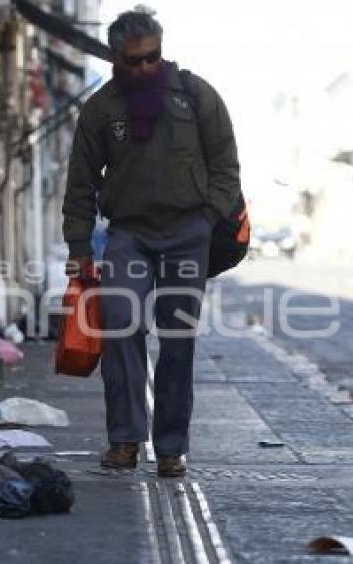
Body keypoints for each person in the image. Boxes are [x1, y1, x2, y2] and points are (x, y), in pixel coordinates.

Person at [62, 10, 241, 477]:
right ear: (115, 59)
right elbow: (80, 184)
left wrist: (206, 218)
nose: (144, 68)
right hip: (129, 236)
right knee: (120, 326)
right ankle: (124, 440)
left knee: (177, 340)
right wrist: (79, 248)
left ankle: (170, 448)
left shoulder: (196, 96)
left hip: (187, 235)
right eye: (133, 61)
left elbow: (226, 166)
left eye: (152, 58)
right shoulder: (100, 110)